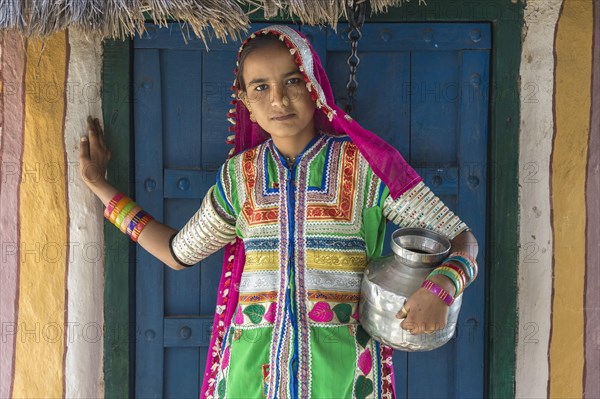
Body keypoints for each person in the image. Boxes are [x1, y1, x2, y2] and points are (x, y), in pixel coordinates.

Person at [80, 24, 478, 399]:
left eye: (292, 81)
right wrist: (100, 186)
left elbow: (462, 239)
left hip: (343, 372)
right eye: (261, 87)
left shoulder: (366, 166)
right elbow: (176, 251)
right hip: (251, 373)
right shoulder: (239, 178)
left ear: (314, 85)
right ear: (246, 103)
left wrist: (442, 287)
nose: (278, 100)